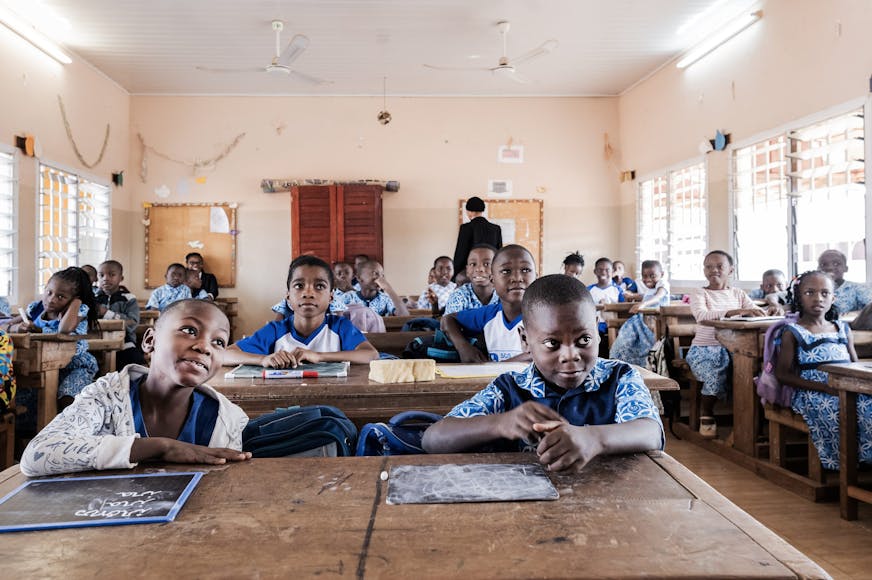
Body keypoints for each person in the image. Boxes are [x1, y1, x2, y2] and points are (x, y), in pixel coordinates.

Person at [422, 274, 664, 473]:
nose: (570, 355)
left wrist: (593, 438)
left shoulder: (619, 377)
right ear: (525, 340)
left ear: (597, 331)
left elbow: (651, 432)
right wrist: (500, 422)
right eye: (552, 343)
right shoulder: (509, 388)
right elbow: (433, 439)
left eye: (584, 340)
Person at [19, 299, 251, 477]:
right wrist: (162, 448)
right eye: (189, 330)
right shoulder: (106, 396)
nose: (204, 347)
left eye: (218, 342)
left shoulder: (227, 420)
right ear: (150, 341)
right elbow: (36, 455)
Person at [775, 270, 871, 470]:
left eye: (825, 293)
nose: (818, 298)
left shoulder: (842, 329)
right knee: (836, 410)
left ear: (833, 298)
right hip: (811, 391)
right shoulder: (793, 332)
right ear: (799, 297)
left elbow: (854, 365)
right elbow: (783, 374)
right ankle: (845, 465)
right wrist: (824, 387)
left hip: (846, 387)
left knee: (867, 406)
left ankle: (865, 459)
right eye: (810, 292)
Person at [226, 256, 378, 368]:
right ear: (288, 296)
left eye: (319, 286)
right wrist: (263, 359)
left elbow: (371, 355)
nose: (308, 293)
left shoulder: (340, 327)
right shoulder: (276, 330)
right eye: (299, 286)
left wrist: (318, 356)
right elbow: (225, 355)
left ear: (331, 297)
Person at [686, 251, 768, 439]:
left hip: (734, 349)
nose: (713, 270)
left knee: (751, 372)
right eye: (708, 266)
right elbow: (702, 316)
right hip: (705, 349)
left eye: (719, 266)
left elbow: (755, 310)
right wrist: (733, 312)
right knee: (714, 372)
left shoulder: (738, 293)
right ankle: (706, 412)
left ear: (731, 270)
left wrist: (768, 309)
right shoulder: (700, 293)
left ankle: (750, 423)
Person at [7, 267, 99, 410]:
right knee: (23, 400)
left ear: (74, 298)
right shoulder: (36, 309)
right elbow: (6, 326)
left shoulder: (77, 311)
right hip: (42, 365)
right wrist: (17, 328)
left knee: (67, 398)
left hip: (74, 367)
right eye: (49, 292)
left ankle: (74, 424)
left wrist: (76, 302)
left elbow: (64, 330)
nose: (51, 299)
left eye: (61, 296)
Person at [441, 244, 536, 363]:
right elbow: (448, 319)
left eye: (525, 270)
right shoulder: (488, 315)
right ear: (492, 280)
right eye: (506, 271)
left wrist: (494, 368)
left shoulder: (544, 316)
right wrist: (463, 347)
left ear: (536, 277)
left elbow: (538, 355)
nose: (517, 278)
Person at [95, 260, 146, 368]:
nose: (105, 278)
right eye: (101, 275)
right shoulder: (93, 299)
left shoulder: (128, 298)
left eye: (111, 275)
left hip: (124, 341)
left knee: (133, 359)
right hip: (97, 340)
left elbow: (133, 322)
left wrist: (107, 313)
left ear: (121, 278)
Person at [332, 260, 409, 317]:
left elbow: (403, 316)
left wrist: (388, 288)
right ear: (359, 278)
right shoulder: (347, 297)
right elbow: (336, 319)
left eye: (382, 275)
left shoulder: (385, 298)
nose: (380, 278)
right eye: (375, 273)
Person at [817, 249, 872, 329]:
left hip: (850, 329)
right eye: (824, 264)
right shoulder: (811, 291)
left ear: (846, 268)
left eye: (836, 264)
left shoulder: (857, 289)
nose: (830, 267)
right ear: (818, 269)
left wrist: (846, 316)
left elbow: (869, 310)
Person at [452, 196, 503, 279]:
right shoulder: (495, 228)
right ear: (482, 210)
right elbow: (499, 252)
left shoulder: (465, 228)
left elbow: (460, 253)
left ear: (469, 211)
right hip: (490, 272)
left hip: (472, 272)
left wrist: (454, 275)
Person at [444, 244, 499, 315]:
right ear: (467, 270)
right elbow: (449, 320)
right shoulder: (458, 296)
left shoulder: (504, 295)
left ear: (498, 268)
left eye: (487, 264)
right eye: (473, 264)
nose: (479, 269)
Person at [587, 257, 625, 357]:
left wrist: (607, 306)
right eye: (600, 270)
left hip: (613, 324)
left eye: (607, 270)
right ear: (595, 271)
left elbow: (623, 310)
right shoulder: (589, 290)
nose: (603, 272)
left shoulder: (618, 290)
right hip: (594, 325)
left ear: (612, 272)